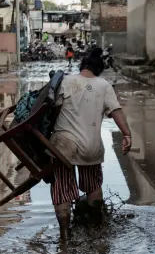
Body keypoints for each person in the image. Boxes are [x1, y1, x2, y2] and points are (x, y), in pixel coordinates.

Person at [50, 47, 132, 240]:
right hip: (91, 146)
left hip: (63, 144)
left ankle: (65, 234)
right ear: (99, 69)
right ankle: (96, 230)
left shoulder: (66, 81)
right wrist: (127, 134)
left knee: (62, 187)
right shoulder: (104, 85)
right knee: (92, 185)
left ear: (82, 66)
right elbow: (116, 111)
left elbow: (49, 108)